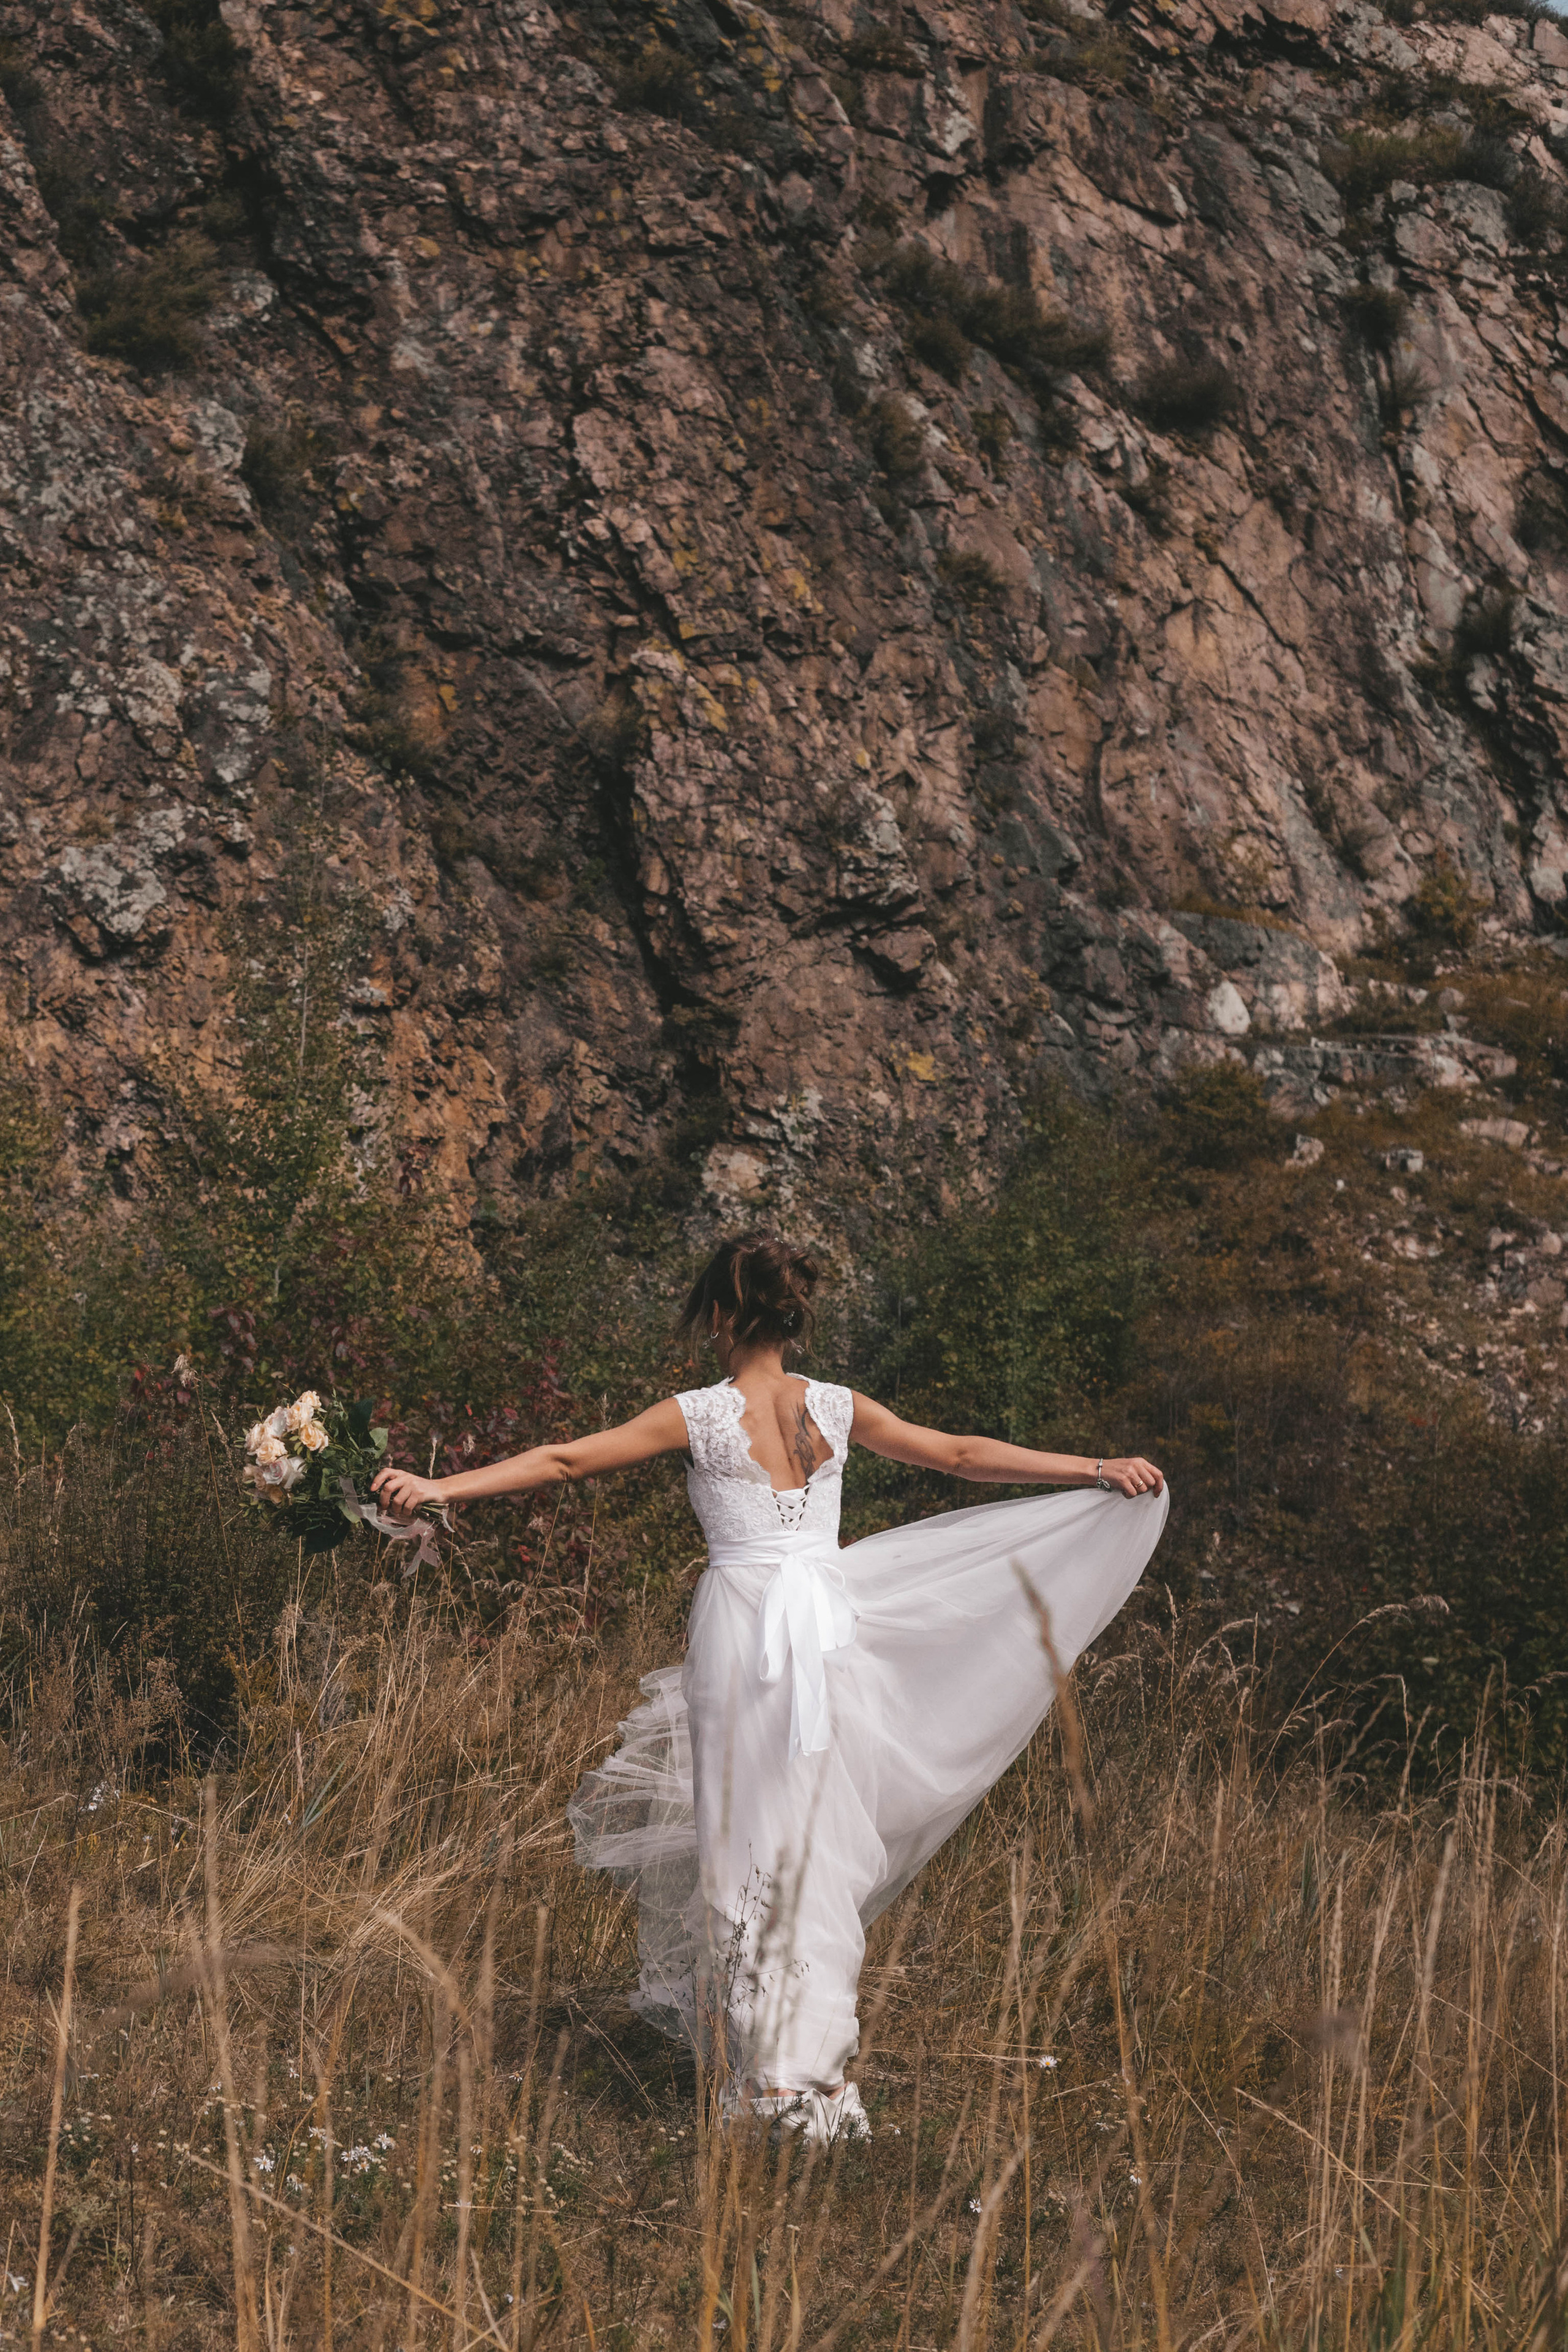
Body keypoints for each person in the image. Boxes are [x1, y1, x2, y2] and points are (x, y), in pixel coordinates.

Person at [372, 1232, 1168, 2143]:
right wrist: (1094, 1469)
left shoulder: (701, 1414)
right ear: (790, 1317)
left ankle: (778, 2080)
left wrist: (443, 1486)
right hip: (831, 1628)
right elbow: (956, 1453)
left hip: (749, 1630)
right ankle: (809, 2079)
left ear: (720, 1314)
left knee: (747, 1837)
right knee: (814, 1842)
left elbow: (561, 1461)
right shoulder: (833, 1404)